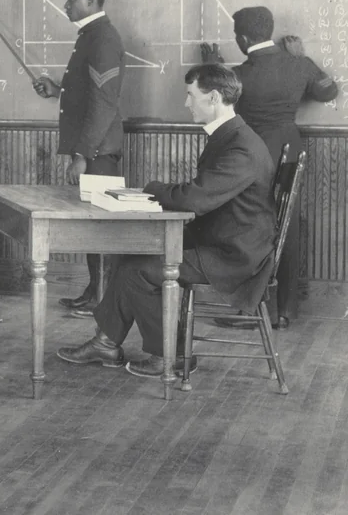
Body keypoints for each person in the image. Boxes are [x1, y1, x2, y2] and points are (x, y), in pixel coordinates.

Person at [58, 64, 276, 378]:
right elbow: (201, 195)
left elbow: (195, 199)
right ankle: (106, 342)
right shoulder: (232, 136)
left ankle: (170, 356)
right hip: (224, 242)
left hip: (234, 256)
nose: (187, 103)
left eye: (191, 95)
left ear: (213, 97)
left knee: (138, 271)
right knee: (132, 255)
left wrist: (153, 189)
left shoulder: (241, 146)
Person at [203, 7, 339, 328]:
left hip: (250, 155)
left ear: (244, 37)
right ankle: (285, 311)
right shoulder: (297, 64)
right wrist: (302, 57)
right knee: (286, 225)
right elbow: (328, 90)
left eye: (237, 34)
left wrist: (212, 66)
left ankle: (251, 307)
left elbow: (214, 105)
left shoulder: (238, 74)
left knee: (249, 225)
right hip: (290, 150)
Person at [31, 0, 126, 317]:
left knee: (100, 227)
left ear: (89, 1)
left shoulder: (101, 38)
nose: (65, 4)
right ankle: (94, 292)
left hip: (98, 150)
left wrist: (82, 154)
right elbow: (88, 95)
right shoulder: (92, 35)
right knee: (93, 225)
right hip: (94, 148)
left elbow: (103, 104)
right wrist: (57, 90)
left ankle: (102, 299)